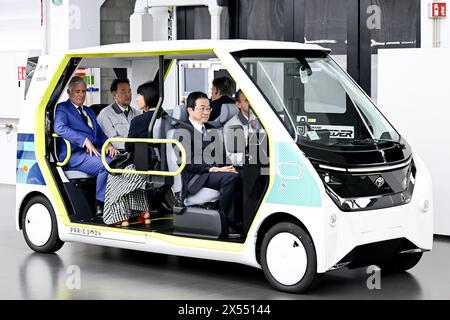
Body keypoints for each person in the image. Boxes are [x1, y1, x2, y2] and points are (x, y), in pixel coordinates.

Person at [177, 91, 242, 238]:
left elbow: (222, 155)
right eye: (202, 108)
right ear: (190, 110)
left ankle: (242, 219)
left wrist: (231, 167)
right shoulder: (181, 131)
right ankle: (227, 223)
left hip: (213, 172)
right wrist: (216, 169)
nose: (206, 112)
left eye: (208, 108)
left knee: (242, 174)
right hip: (197, 176)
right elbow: (189, 162)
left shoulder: (212, 129)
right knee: (229, 178)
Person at [54, 76, 118, 216]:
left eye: (84, 91)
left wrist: (108, 145)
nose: (81, 95)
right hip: (74, 155)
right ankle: (100, 203)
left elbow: (99, 133)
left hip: (92, 152)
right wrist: (84, 141)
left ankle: (118, 201)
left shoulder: (88, 111)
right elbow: (59, 128)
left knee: (120, 160)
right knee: (105, 164)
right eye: (77, 91)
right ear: (69, 92)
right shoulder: (62, 108)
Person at [102, 82, 160, 227]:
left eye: (137, 94)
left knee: (115, 175)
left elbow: (128, 145)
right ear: (114, 95)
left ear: (148, 97)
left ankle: (119, 216)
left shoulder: (139, 119)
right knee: (131, 179)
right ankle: (143, 211)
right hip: (158, 164)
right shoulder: (164, 116)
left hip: (141, 165)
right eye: (124, 92)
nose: (133, 97)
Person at [97, 78, 141, 150]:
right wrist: (133, 147)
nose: (128, 95)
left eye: (129, 91)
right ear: (114, 95)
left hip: (138, 151)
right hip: (118, 153)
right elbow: (113, 140)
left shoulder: (136, 113)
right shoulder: (105, 115)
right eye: (123, 92)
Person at [223, 89, 262, 166]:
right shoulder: (232, 126)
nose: (251, 103)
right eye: (247, 101)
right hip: (248, 167)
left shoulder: (263, 121)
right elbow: (233, 157)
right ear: (238, 104)